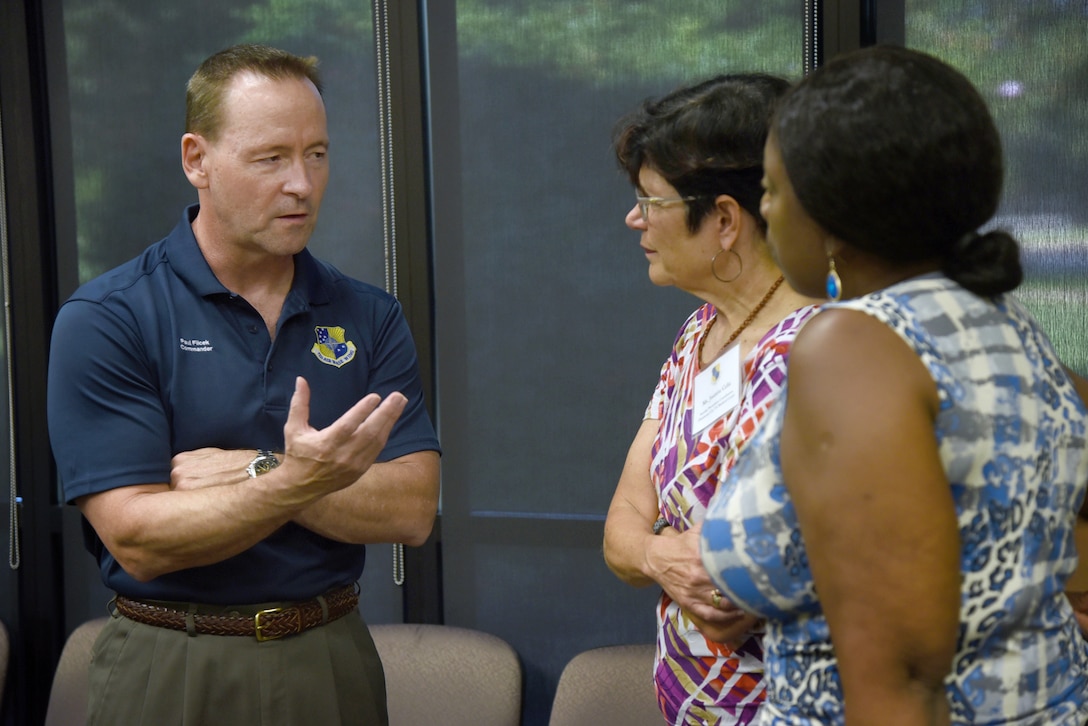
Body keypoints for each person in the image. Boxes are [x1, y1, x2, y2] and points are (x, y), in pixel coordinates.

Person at [46, 44, 441, 725]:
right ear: (197, 159)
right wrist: (311, 480)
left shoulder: (368, 314)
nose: (302, 184)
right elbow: (141, 538)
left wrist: (259, 470)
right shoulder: (109, 318)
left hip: (330, 654)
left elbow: (410, 510)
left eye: (316, 154)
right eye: (271, 158)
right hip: (172, 660)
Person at [700, 45, 1088, 725]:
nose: (766, 212)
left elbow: (902, 681)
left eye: (770, 189)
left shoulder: (852, 347)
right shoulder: (1009, 328)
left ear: (828, 213)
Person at [602, 74, 820, 725]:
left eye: (652, 200)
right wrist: (657, 554)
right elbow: (622, 524)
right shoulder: (700, 332)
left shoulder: (831, 349)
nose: (634, 218)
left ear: (725, 219)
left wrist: (749, 581)